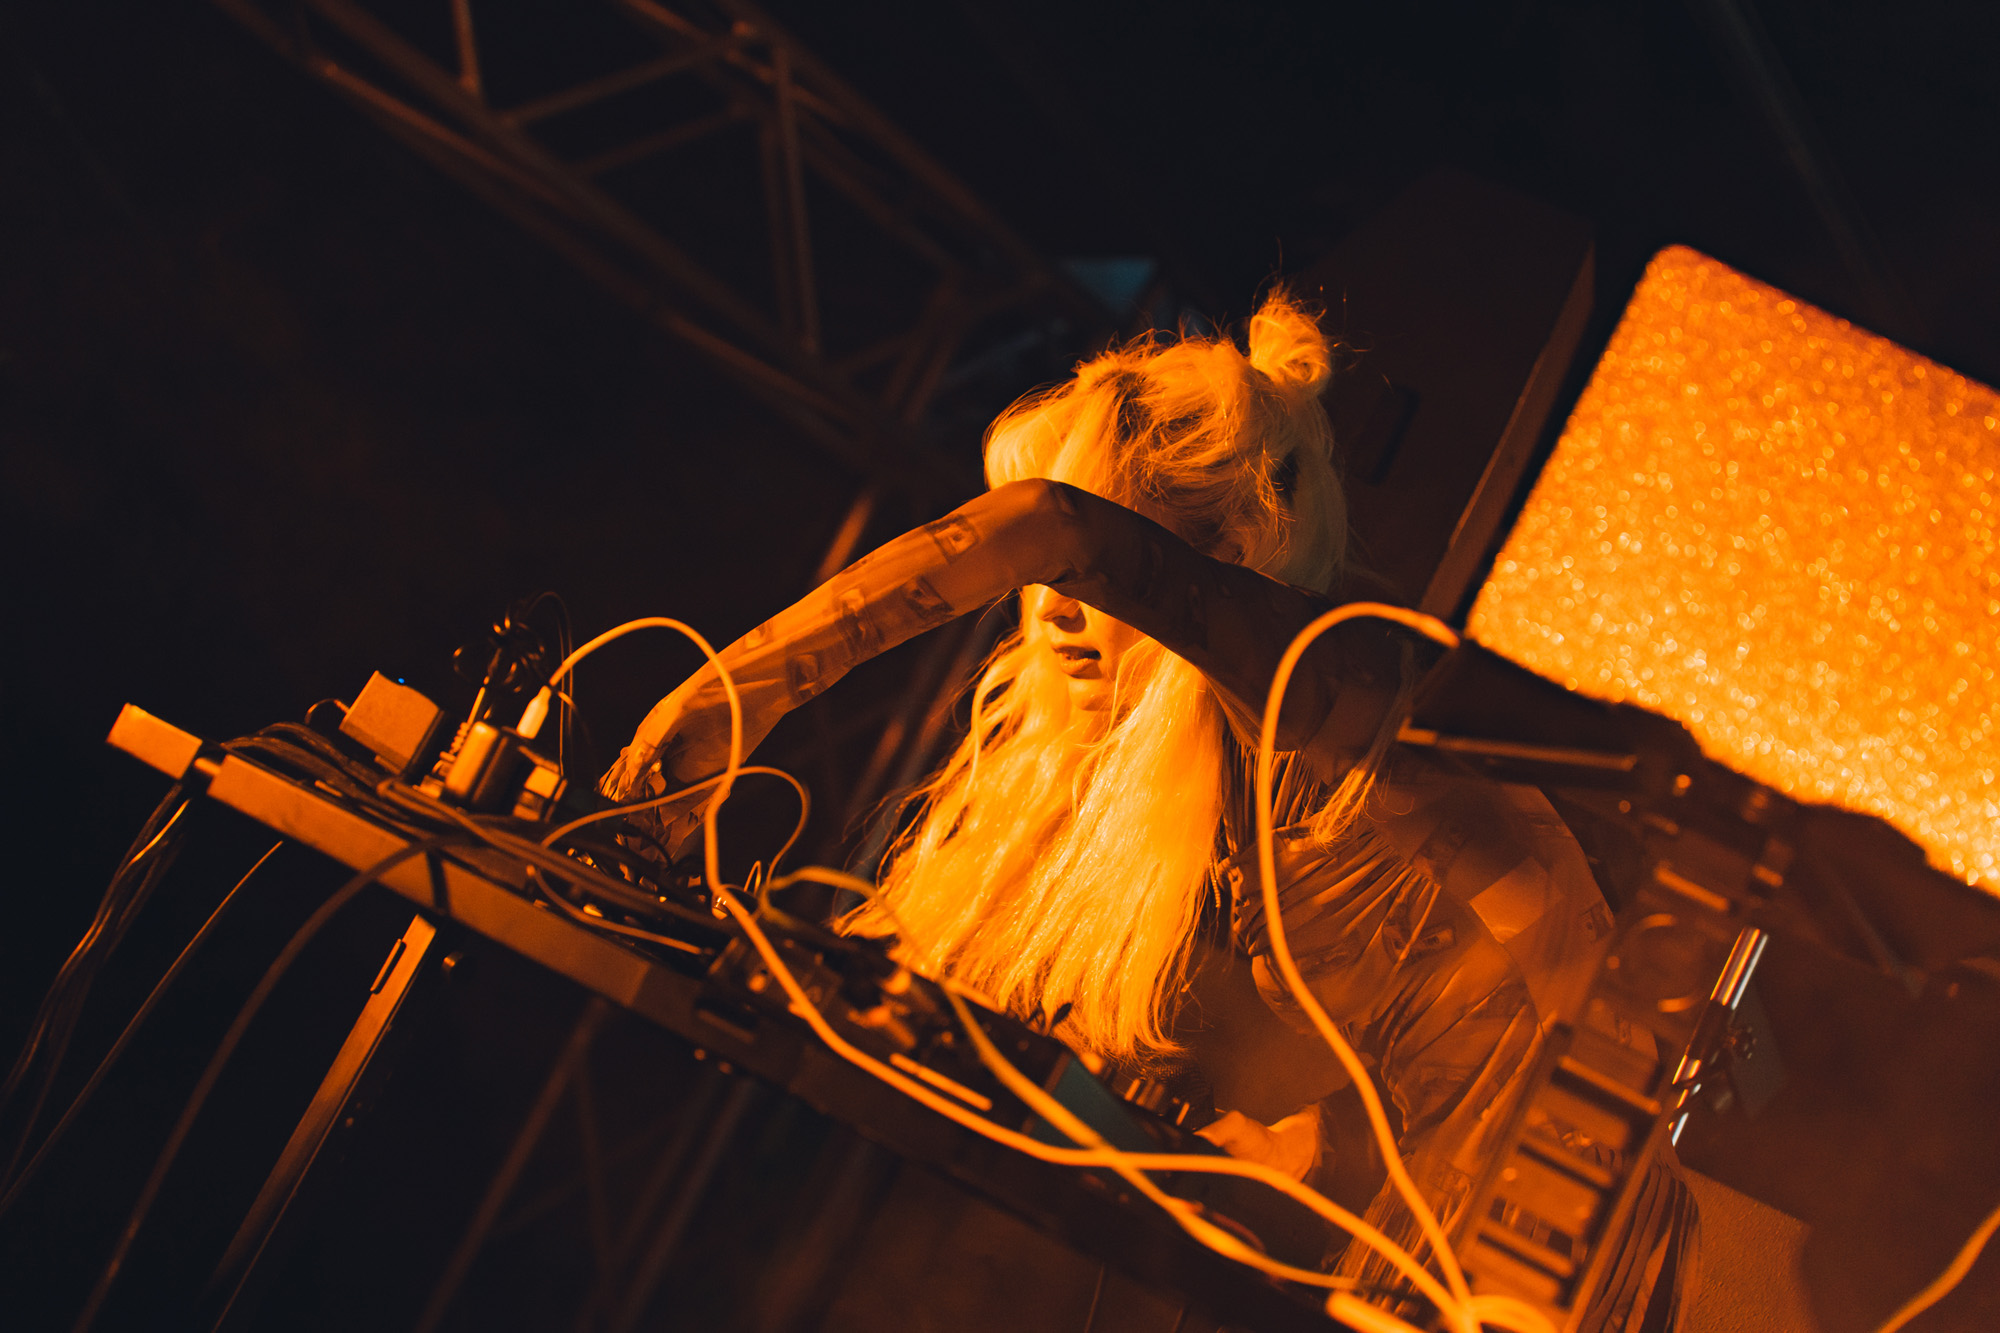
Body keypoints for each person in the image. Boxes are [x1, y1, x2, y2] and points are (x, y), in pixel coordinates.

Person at [602, 290, 1693, 1331]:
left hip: (1541, 1241)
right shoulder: (1155, 790)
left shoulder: (1329, 692)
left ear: (1230, 568)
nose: (1055, 611)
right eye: (1038, 587)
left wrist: (730, 697)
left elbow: (1049, 525)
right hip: (1454, 1242)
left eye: (1095, 576)